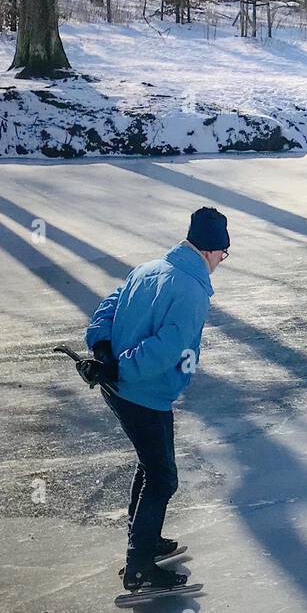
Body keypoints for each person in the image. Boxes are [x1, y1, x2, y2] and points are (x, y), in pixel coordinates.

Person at [77, 206, 229, 593]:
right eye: (223, 255)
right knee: (163, 477)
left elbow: (107, 307)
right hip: (142, 392)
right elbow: (167, 349)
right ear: (211, 251)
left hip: (123, 386)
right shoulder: (193, 290)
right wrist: (120, 369)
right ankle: (139, 564)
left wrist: (105, 350)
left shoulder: (148, 268)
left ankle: (143, 539)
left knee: (152, 466)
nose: (221, 263)